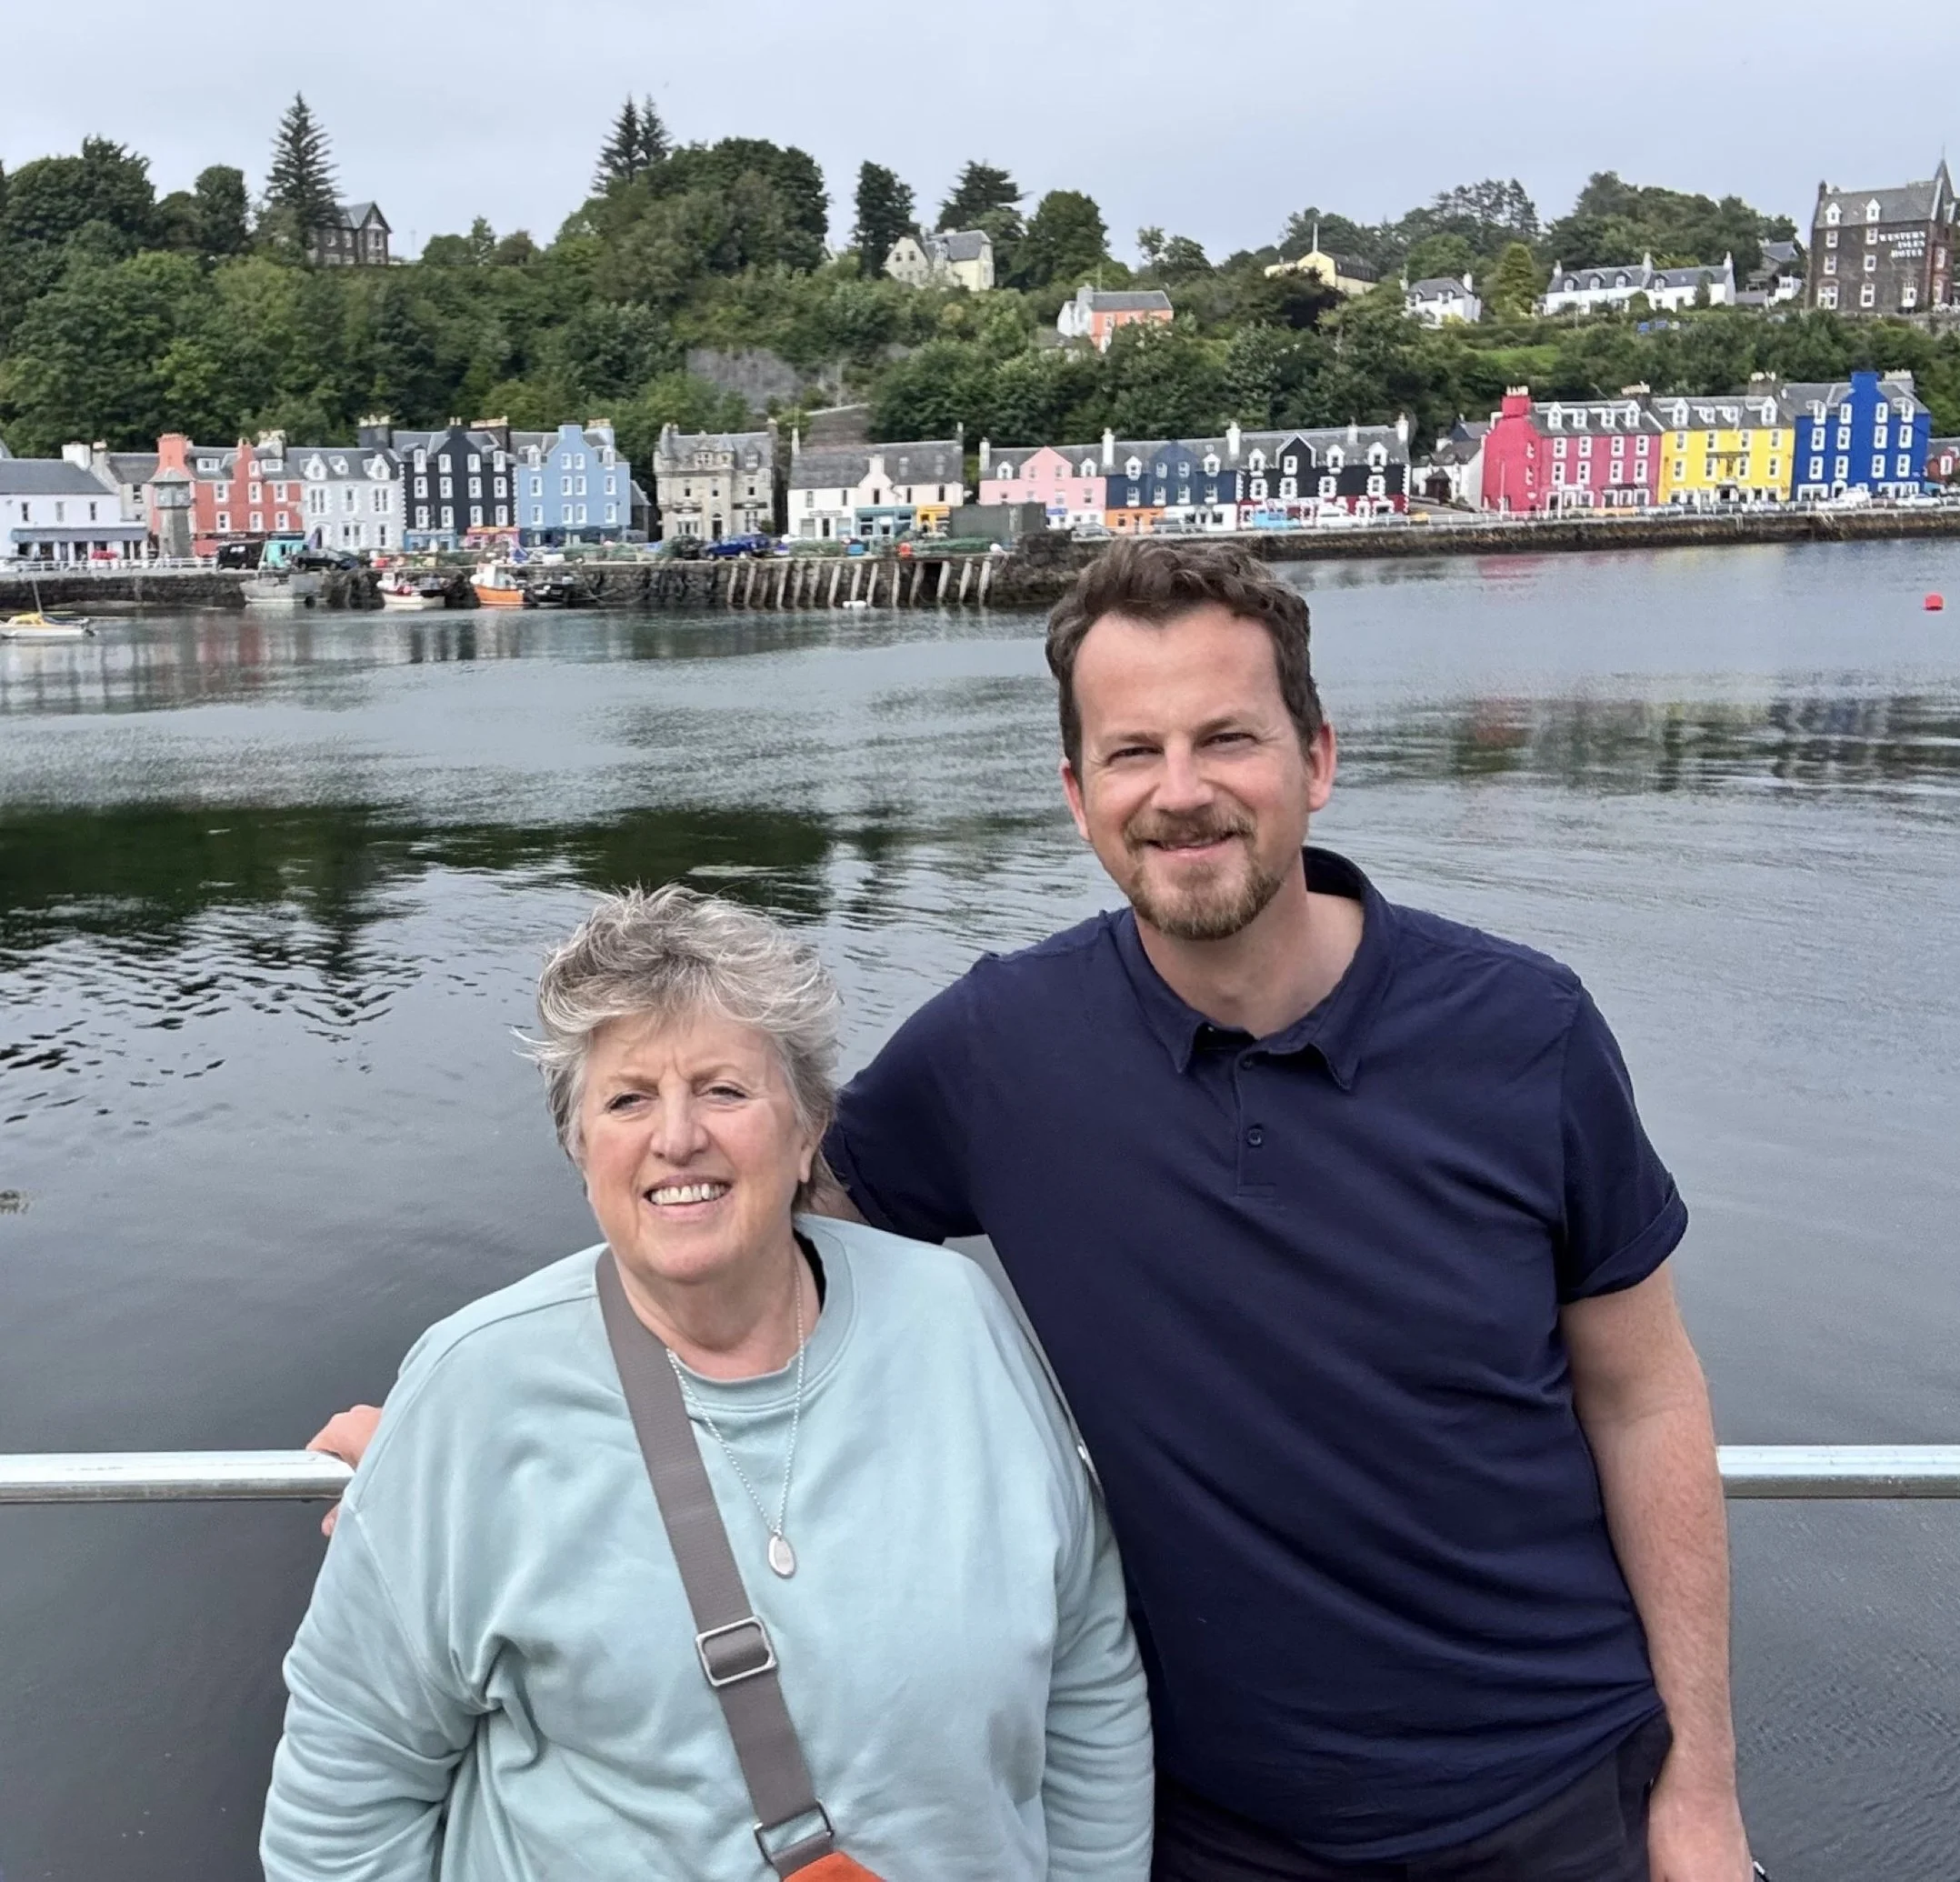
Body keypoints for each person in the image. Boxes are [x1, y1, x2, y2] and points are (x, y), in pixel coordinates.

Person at [316, 537, 1752, 1880]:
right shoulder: (1000, 1047)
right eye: (1132, 750)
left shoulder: (1522, 1030)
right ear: (1076, 794)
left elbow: (1642, 1398)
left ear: (1316, 757)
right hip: (1209, 1822)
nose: (1179, 789)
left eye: (1227, 738)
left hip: (1549, 1792)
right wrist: (485, 1441)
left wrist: (1703, 1785)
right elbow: (733, 1219)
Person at [268, 888, 1151, 1882]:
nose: (677, 1136)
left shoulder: (959, 1322)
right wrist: (428, 1477)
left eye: (724, 1090)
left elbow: (1086, 1681)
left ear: (808, 1127)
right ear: (578, 1143)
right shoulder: (475, 1390)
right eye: (627, 1098)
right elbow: (343, 1808)